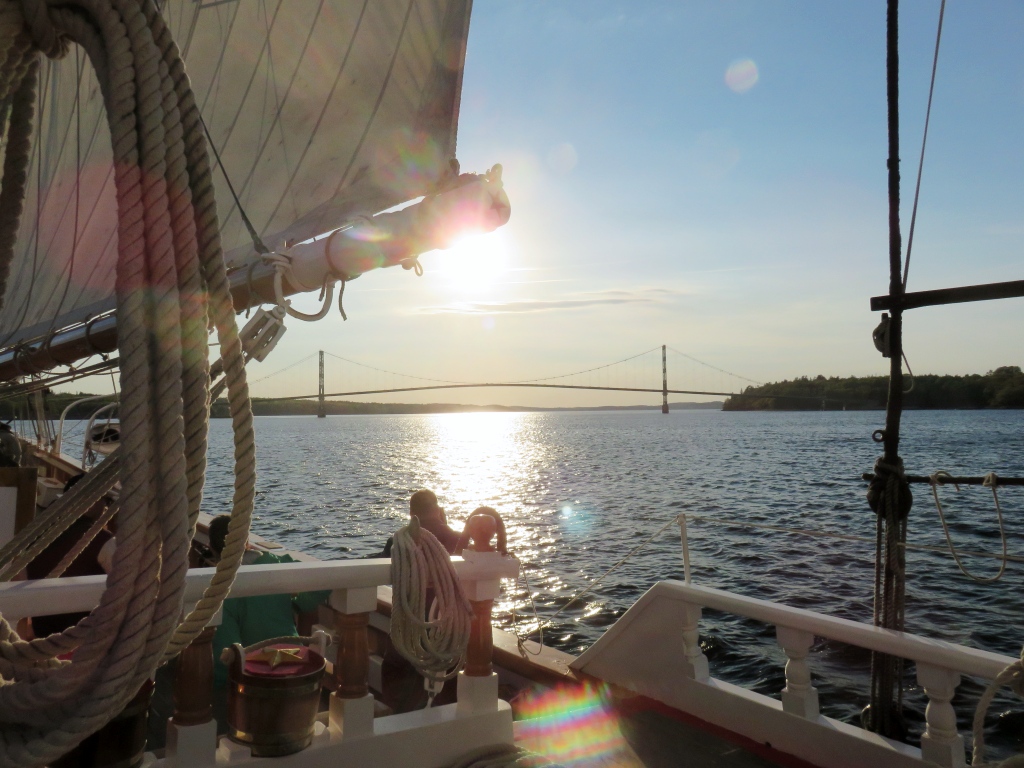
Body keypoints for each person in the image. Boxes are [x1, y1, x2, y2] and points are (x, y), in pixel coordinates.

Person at [207, 515, 330, 688]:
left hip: (258, 679)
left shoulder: (219, 588)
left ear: (211, 549)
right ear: (247, 543)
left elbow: (227, 657)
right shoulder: (275, 562)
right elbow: (316, 592)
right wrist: (290, 595)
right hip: (295, 662)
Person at [26, 474, 114, 638]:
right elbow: (128, 582)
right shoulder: (101, 541)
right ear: (91, 501)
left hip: (41, 635)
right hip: (80, 640)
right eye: (106, 501)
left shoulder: (40, 529)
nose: (107, 507)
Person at [383, 489, 461, 556]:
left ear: (411, 513)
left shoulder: (395, 543)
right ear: (438, 511)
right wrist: (445, 527)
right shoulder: (456, 539)